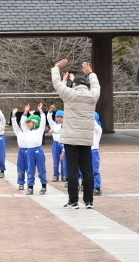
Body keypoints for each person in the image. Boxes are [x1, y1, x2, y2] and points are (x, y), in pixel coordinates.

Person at [51, 59, 100, 210]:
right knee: (87, 170)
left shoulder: (69, 94)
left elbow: (57, 83)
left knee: (72, 170)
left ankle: (73, 201)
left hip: (71, 138)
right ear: (86, 85)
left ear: (74, 85)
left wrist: (56, 68)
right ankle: (89, 201)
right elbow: (97, 85)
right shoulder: (92, 96)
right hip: (86, 139)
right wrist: (90, 72)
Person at [17, 103, 48, 195]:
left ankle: (44, 186)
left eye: (29, 122)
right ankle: (30, 187)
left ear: (35, 123)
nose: (28, 124)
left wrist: (41, 111)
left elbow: (43, 121)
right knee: (30, 170)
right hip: (29, 151)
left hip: (38, 150)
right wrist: (25, 112)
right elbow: (22, 123)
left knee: (41, 169)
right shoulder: (26, 131)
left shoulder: (39, 130)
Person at [47, 104, 66, 182]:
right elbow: (48, 117)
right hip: (56, 143)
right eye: (57, 117)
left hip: (63, 143)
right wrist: (50, 110)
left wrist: (54, 131)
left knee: (64, 161)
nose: (59, 119)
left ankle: (64, 175)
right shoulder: (53, 124)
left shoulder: (65, 125)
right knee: (55, 161)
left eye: (61, 117)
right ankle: (55, 175)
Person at [11, 107, 28, 190]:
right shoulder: (19, 132)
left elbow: (24, 120)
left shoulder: (30, 131)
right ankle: (21, 182)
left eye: (24, 124)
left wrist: (26, 112)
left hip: (29, 151)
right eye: (21, 124)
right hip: (21, 151)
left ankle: (30, 183)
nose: (22, 125)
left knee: (30, 168)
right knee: (20, 168)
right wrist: (13, 115)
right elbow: (14, 125)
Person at [92, 112, 103, 196]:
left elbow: (95, 125)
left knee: (95, 170)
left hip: (94, 151)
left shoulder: (98, 128)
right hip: (86, 150)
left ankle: (97, 187)